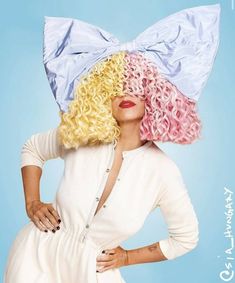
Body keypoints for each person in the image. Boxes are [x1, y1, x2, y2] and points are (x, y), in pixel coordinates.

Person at [4, 4, 220, 283]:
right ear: (101, 96)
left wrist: (128, 257)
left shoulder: (162, 172)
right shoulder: (81, 136)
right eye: (115, 88)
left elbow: (185, 238)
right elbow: (32, 149)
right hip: (35, 260)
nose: (125, 93)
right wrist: (32, 202)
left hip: (92, 273)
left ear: (155, 97)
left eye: (136, 86)